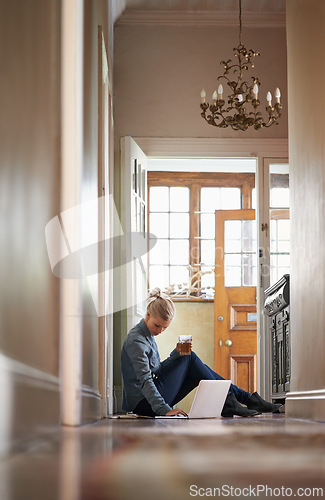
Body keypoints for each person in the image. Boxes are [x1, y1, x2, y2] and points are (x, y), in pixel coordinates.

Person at [121, 288, 282, 418]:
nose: (161, 331)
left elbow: (158, 370)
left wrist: (176, 354)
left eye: (165, 328)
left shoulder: (148, 334)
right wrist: (163, 409)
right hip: (143, 404)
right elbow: (146, 380)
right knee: (190, 358)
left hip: (149, 398)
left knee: (190, 360)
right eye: (158, 326)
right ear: (148, 315)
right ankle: (240, 400)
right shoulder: (137, 340)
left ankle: (240, 400)